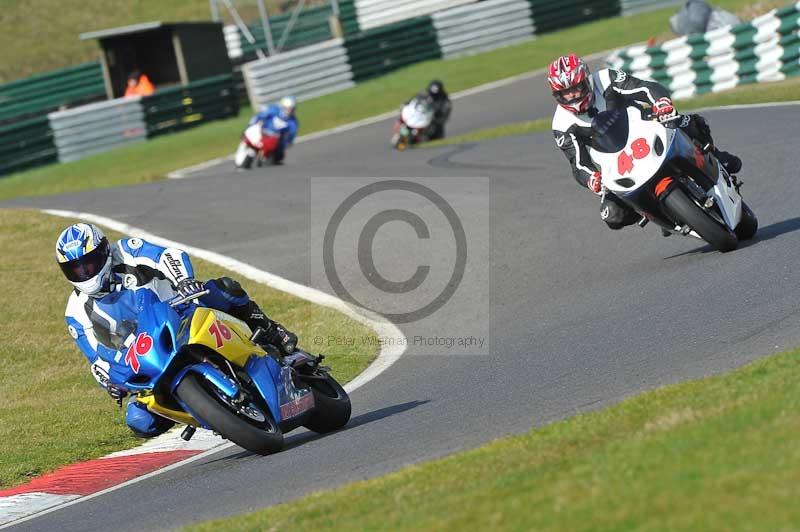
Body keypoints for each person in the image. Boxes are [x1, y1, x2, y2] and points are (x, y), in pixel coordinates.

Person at [56, 223, 298, 438]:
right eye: (75, 269)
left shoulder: (127, 250)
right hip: (148, 356)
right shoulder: (75, 311)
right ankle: (201, 409)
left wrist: (183, 281)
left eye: (88, 263)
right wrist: (110, 382)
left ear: (104, 252)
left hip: (181, 311)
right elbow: (97, 358)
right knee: (140, 420)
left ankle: (270, 329)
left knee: (224, 289)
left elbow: (167, 256)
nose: (85, 272)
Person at [548, 53, 741, 230]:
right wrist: (592, 178)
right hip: (614, 158)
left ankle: (715, 155)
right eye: (566, 92)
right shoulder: (561, 124)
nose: (573, 95)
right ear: (558, 95)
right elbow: (577, 162)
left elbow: (643, 87)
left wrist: (661, 103)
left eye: (576, 87)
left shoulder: (605, 78)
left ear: (587, 80)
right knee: (612, 215)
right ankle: (660, 212)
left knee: (689, 122)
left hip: (643, 123)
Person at [248, 95, 299, 165]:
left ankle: (267, 158)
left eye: (292, 109)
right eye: (289, 109)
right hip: (263, 133)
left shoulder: (293, 122)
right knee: (251, 135)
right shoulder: (274, 110)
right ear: (283, 107)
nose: (290, 111)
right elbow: (260, 116)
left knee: (279, 157)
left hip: (276, 141)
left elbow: (291, 136)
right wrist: (252, 123)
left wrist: (286, 144)